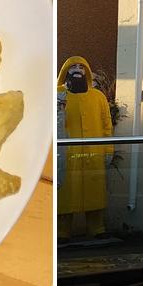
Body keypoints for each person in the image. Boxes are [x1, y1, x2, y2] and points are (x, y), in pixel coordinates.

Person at [56, 56, 113, 239]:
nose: (77, 70)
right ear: (65, 71)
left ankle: (97, 228)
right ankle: (61, 230)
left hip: (94, 153)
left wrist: (108, 150)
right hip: (67, 155)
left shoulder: (98, 97)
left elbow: (106, 125)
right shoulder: (57, 95)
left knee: (94, 189)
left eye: (81, 67)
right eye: (73, 66)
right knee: (66, 193)